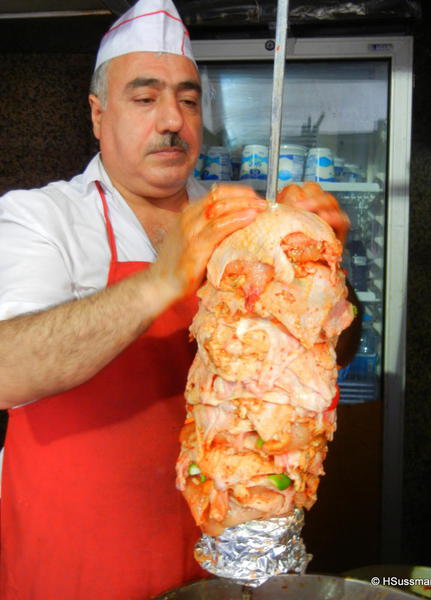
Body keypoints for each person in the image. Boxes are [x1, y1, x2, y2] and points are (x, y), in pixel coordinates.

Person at [0, 1, 352, 598]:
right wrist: (162, 279)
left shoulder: (244, 223)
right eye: (145, 97)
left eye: (188, 100)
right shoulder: (40, 217)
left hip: (224, 551)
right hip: (78, 562)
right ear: (97, 114)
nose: (172, 120)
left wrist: (318, 280)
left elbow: (317, 365)